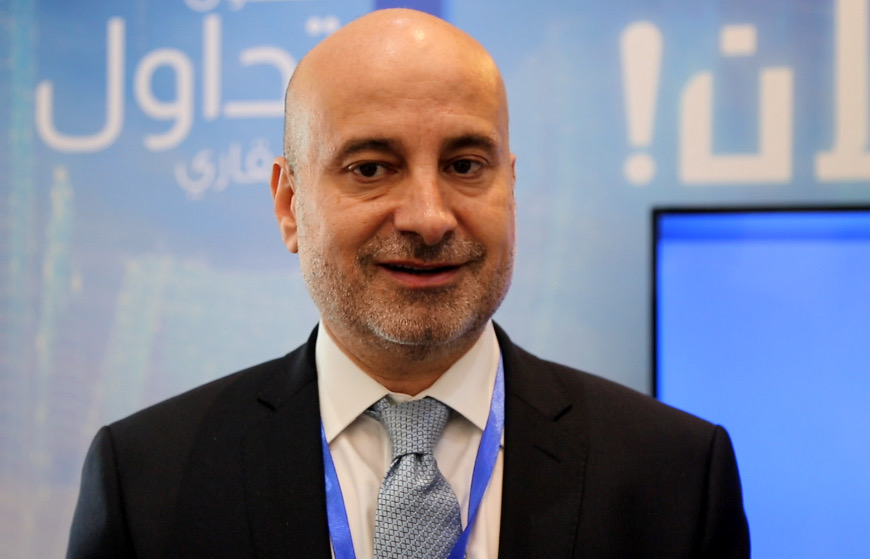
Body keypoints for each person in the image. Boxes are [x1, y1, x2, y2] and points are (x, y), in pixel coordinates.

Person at [66, 8, 749, 559]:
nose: (428, 217)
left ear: (511, 186)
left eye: (465, 165)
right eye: (371, 168)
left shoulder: (676, 476)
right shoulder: (146, 482)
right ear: (289, 204)